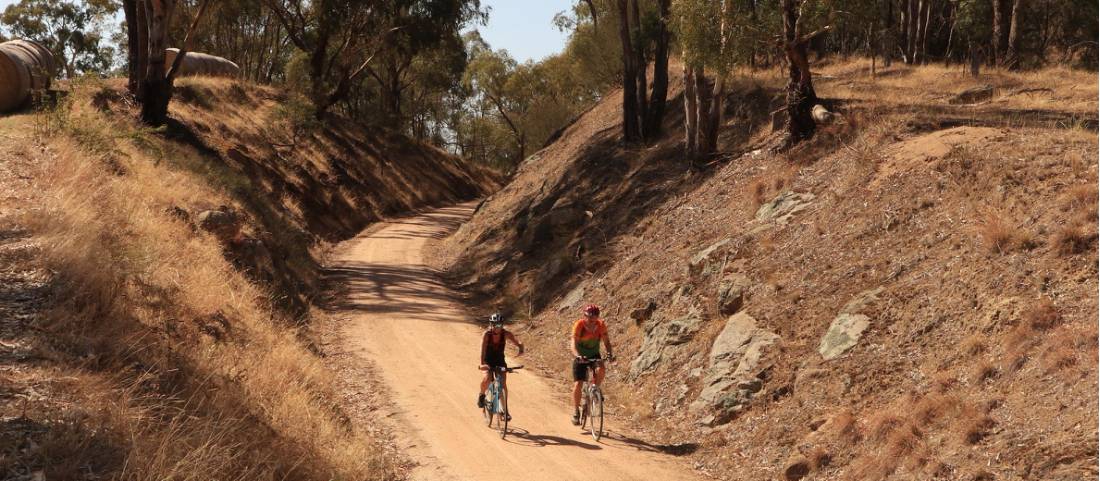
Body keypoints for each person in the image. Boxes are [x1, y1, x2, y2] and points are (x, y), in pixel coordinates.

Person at [570, 304, 614, 425]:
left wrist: (610, 353)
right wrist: (577, 355)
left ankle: (595, 390)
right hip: (581, 356)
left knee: (602, 369)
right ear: (585, 316)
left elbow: (606, 342)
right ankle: (576, 411)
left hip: (594, 355)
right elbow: (573, 343)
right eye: (589, 318)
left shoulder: (601, 325)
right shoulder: (579, 325)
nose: (592, 321)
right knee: (578, 383)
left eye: (594, 318)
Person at [478, 312, 524, 421]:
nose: (497, 327)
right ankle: (481, 394)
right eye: (494, 325)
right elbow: (482, 350)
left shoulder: (506, 334)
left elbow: (517, 342)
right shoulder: (486, 335)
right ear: (491, 325)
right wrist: (482, 364)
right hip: (488, 360)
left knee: (503, 385)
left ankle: (505, 411)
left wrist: (521, 347)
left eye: (499, 325)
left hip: (499, 360)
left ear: (502, 325)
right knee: (487, 378)